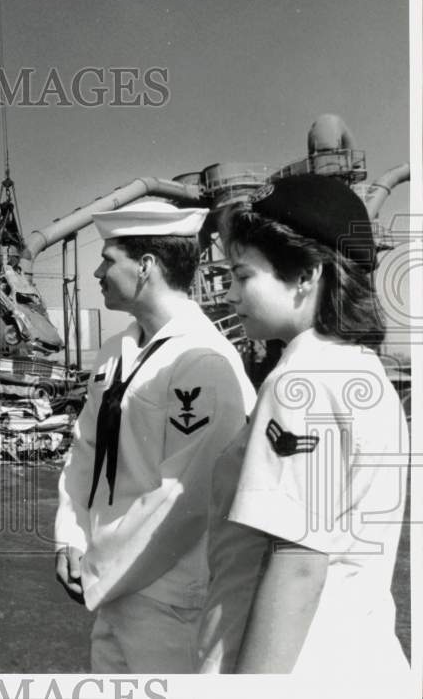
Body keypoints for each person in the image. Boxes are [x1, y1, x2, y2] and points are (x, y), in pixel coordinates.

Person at [195, 174, 409, 682]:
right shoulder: (364, 372)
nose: (228, 294)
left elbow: (298, 565)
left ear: (307, 273)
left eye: (243, 276)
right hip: (360, 657)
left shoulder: (300, 383)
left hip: (300, 668)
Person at [55, 200, 255, 673]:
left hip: (171, 595)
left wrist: (100, 563)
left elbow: (184, 499)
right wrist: (70, 536)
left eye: (108, 259)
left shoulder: (203, 361)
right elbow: (85, 451)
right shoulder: (114, 353)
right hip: (112, 583)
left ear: (145, 266)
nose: (98, 272)